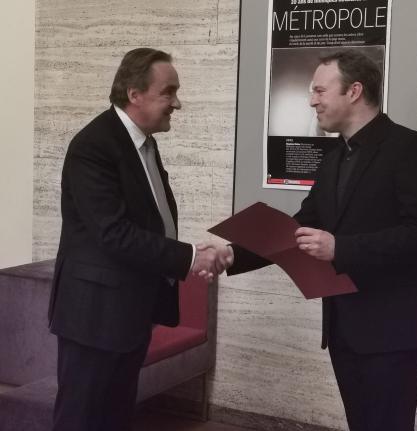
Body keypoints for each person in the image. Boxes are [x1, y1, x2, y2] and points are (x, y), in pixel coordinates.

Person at [222, 50, 417, 431]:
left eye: (320, 90)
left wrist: (340, 248)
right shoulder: (332, 158)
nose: (312, 101)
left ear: (354, 91)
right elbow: (297, 228)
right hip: (344, 331)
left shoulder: (410, 148)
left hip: (393, 333)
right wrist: (231, 253)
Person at [47, 48, 231, 431]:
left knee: (115, 419)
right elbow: (113, 234)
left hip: (130, 313)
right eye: (169, 92)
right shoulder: (93, 146)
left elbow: (149, 221)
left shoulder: (143, 142)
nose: (177, 103)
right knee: (80, 420)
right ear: (135, 94)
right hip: (94, 317)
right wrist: (190, 257)